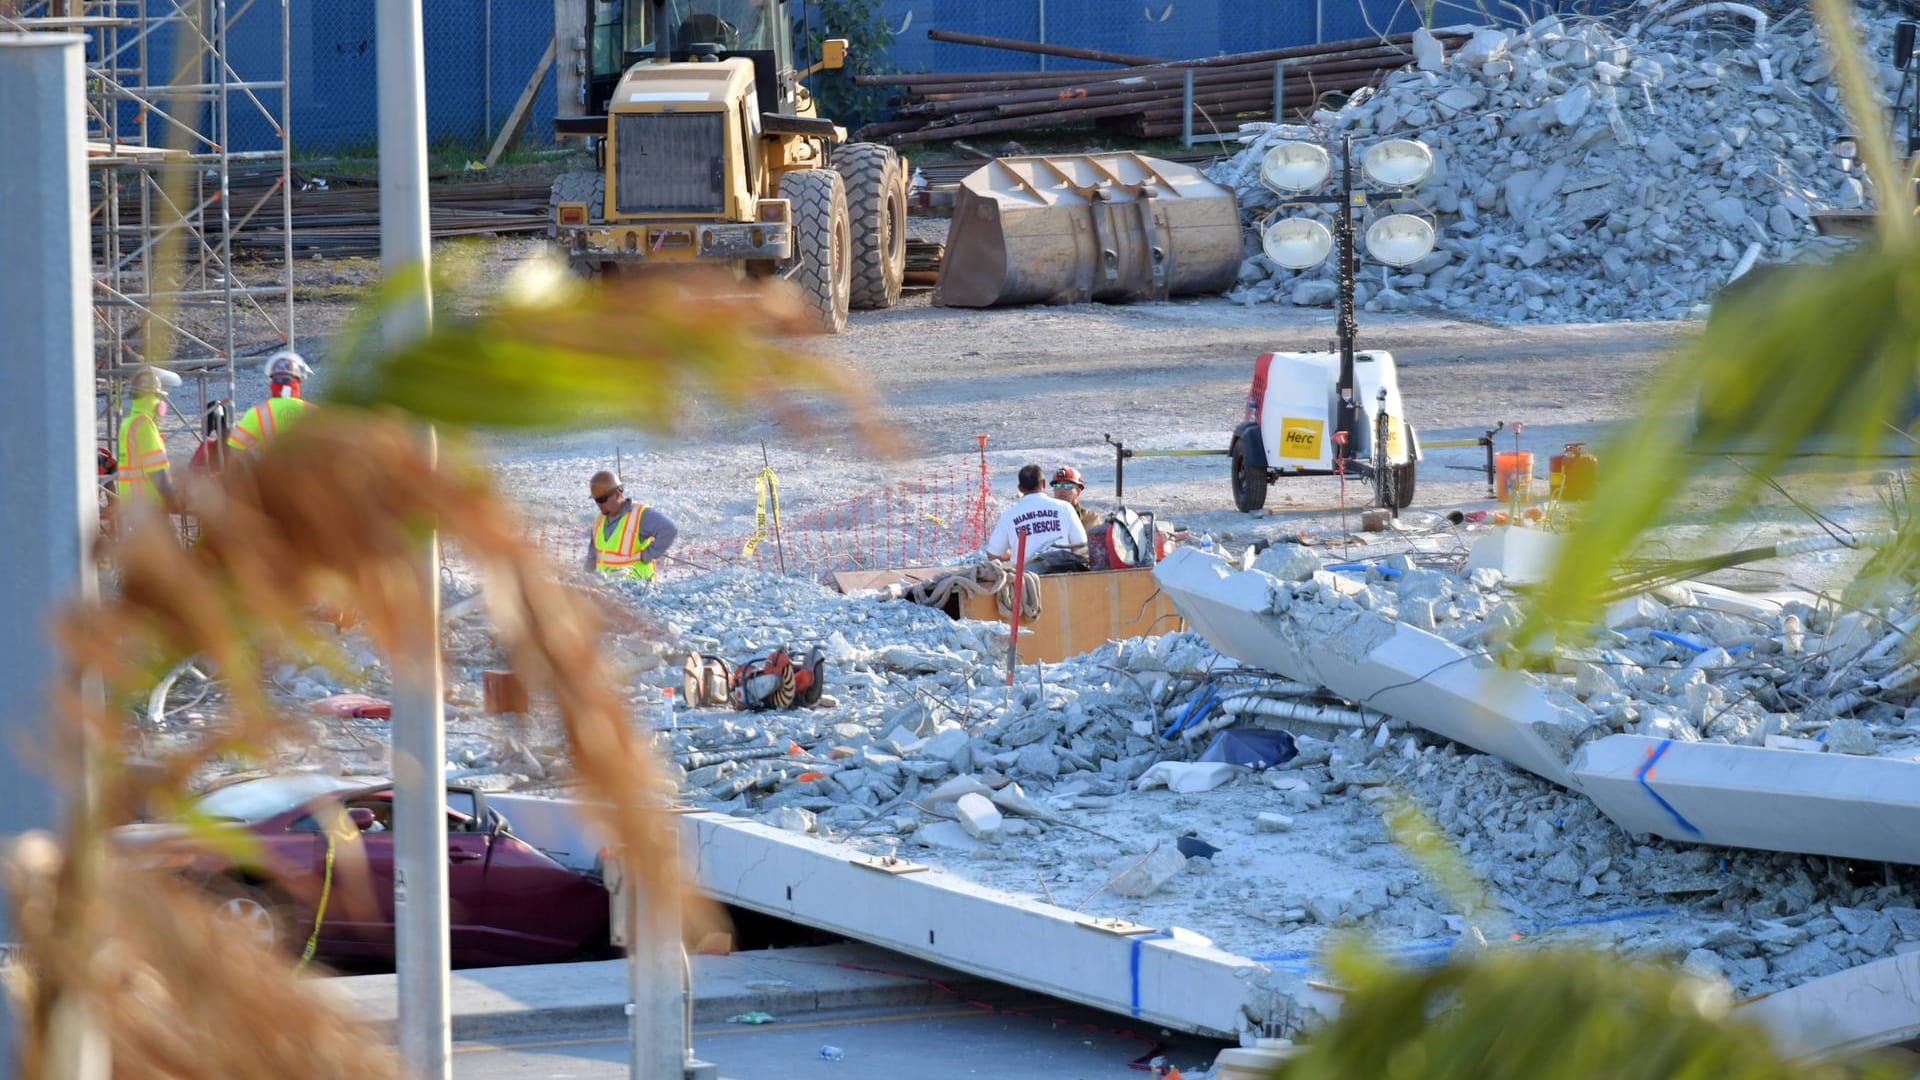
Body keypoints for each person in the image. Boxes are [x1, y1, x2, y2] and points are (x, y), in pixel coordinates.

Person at [585, 470, 678, 582]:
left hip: (638, 592)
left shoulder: (640, 515)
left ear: (618, 494)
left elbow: (669, 530)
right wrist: (586, 580)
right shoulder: (597, 521)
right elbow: (592, 556)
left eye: (602, 499)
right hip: (608, 591)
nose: (599, 504)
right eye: (596, 500)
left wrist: (647, 555)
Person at [983, 463, 1087, 564]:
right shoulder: (1065, 507)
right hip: (1062, 571)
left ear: (1020, 488)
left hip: (1027, 577)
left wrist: (1014, 554)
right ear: (1044, 484)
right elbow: (1081, 546)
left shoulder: (1008, 516)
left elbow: (993, 554)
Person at [116, 366, 178, 513]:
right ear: (152, 397)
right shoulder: (144, 424)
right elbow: (156, 470)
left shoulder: (129, 422)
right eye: (159, 397)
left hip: (131, 503)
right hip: (148, 505)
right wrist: (172, 500)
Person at [228, 351, 313, 456]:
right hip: (310, 471)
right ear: (298, 381)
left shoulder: (258, 413)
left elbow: (235, 446)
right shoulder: (313, 412)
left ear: (272, 382)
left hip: (270, 471)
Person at [1050, 466, 1101, 530]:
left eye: (1068, 486)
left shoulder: (1090, 518)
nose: (1062, 489)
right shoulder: (1045, 518)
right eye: (1057, 486)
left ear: (1078, 491)